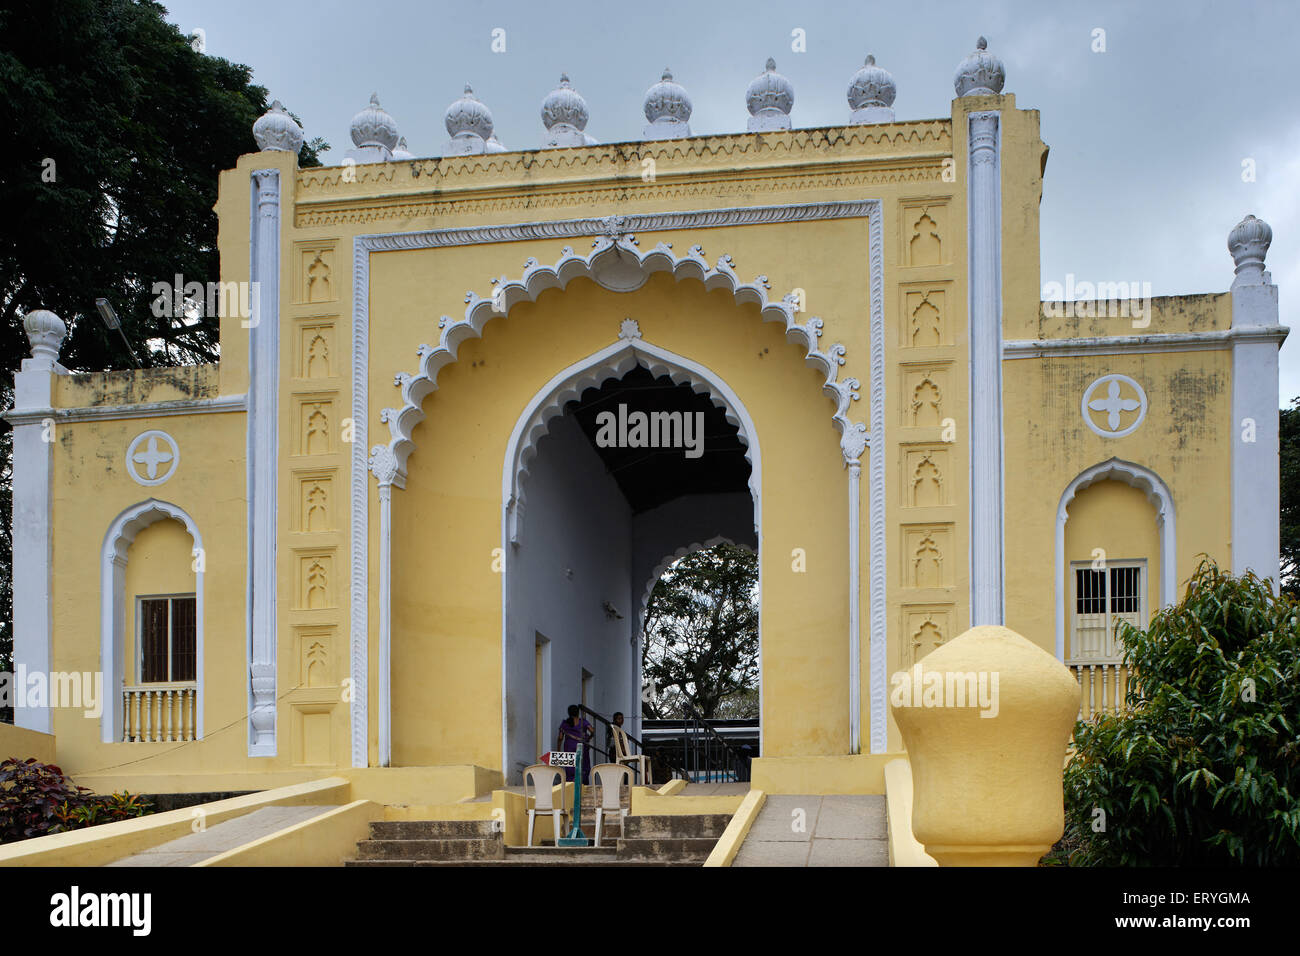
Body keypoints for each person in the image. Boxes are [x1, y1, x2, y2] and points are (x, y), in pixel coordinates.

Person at [556, 704, 594, 784]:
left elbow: (560, 738)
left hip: (569, 747)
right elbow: (592, 731)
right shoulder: (583, 722)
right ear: (578, 713)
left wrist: (558, 750)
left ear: (569, 713)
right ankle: (583, 785)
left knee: (570, 767)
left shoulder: (565, 723)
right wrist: (588, 738)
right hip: (582, 747)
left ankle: (571, 785)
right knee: (583, 766)